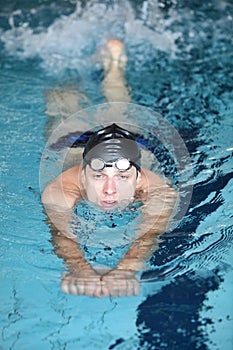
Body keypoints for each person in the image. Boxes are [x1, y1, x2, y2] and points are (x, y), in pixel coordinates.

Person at [42, 40, 178, 298]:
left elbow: (149, 234)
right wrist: (80, 269)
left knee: (119, 105)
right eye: (98, 175)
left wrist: (126, 269)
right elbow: (63, 234)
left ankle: (114, 64)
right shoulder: (59, 189)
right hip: (72, 141)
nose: (109, 190)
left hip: (131, 141)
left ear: (138, 178)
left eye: (123, 176)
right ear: (82, 176)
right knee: (62, 101)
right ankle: (70, 61)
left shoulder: (158, 189)